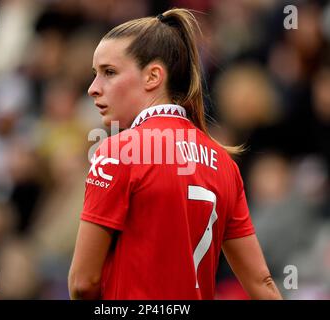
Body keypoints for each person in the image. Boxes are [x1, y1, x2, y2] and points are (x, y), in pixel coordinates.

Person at [68, 8, 282, 300]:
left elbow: (83, 281)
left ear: (153, 76)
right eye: (95, 74)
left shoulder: (118, 152)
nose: (93, 88)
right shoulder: (223, 162)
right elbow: (262, 284)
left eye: (109, 72)